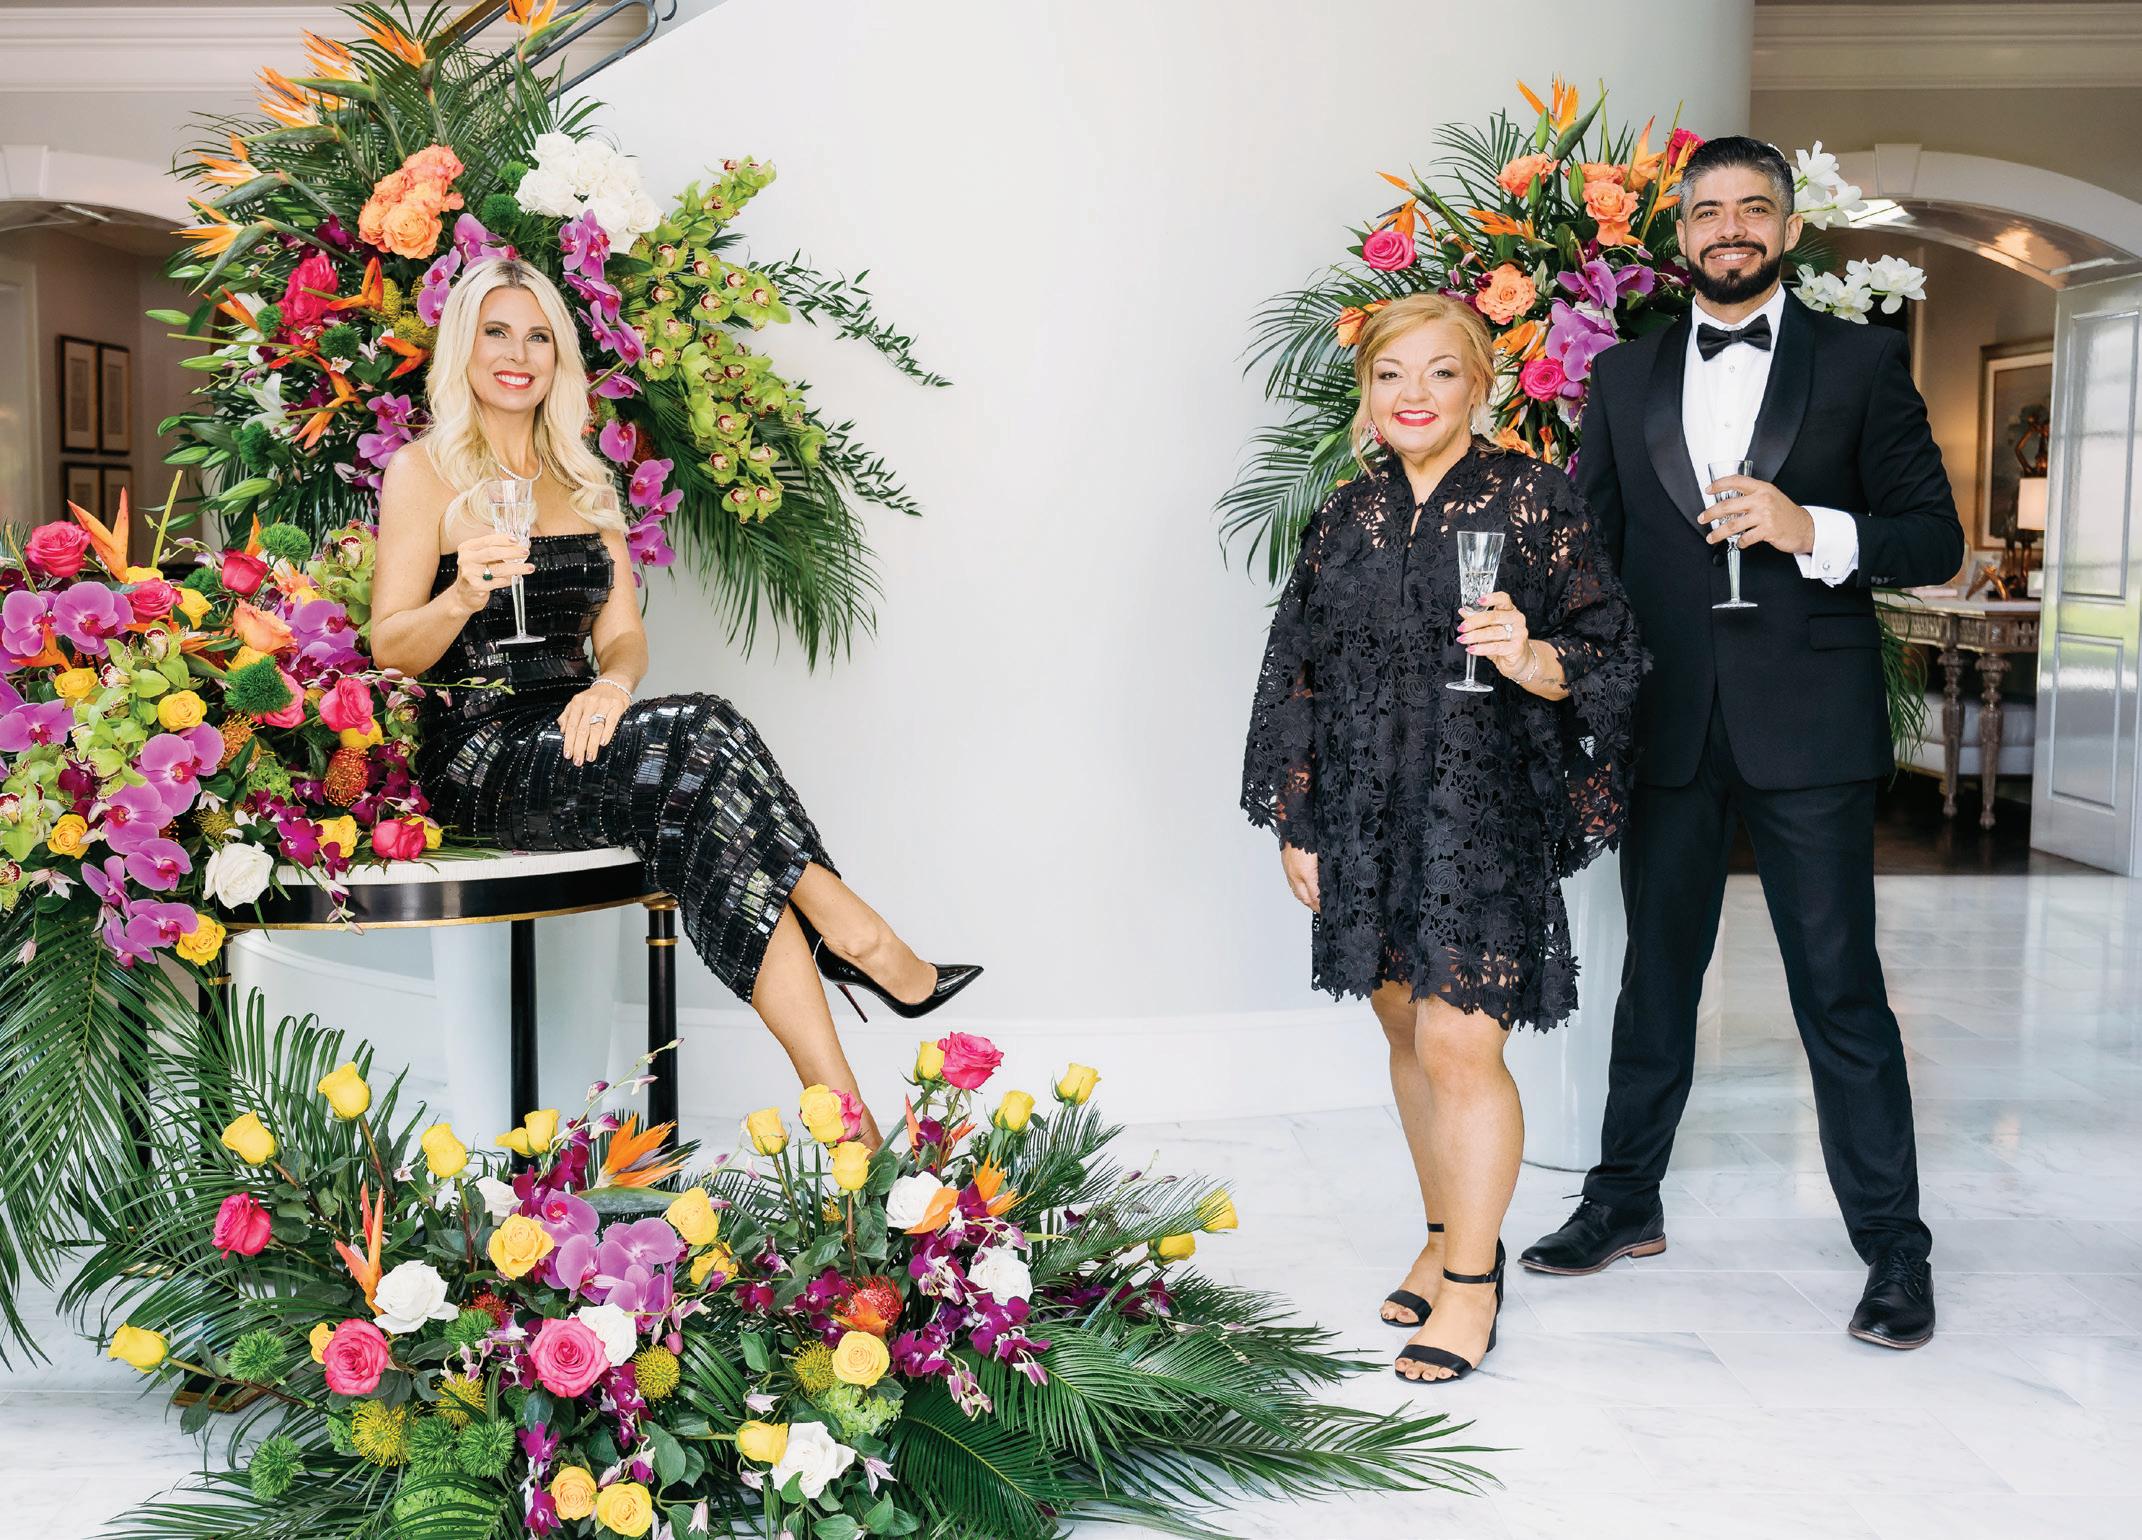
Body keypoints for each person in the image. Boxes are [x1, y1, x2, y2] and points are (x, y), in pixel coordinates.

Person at [371, 258, 981, 1146]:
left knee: (710, 818)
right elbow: (390, 646)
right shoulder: (421, 472)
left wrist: (612, 686)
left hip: (577, 728)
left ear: (559, 357)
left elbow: (623, 637)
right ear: (463, 345)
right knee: (704, 732)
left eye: (538, 337)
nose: (518, 355)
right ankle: (859, 939)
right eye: (496, 333)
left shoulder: (584, 477)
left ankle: (851, 1126)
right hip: (478, 750)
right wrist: (461, 595)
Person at [1520, 137, 1963, 1350]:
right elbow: (1589, 558)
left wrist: (1810, 525)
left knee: (1840, 987)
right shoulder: (1624, 377)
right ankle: (1623, 1200)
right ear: (1679, 234)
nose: (1731, 228)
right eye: (1708, 210)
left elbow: (1935, 539)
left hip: (1810, 727)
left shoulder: (1862, 363)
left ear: (1788, 228)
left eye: (1753, 208)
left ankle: (1895, 1247)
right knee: (1655, 977)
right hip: (1664, 723)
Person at [1241, 293, 1644, 1385]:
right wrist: (1298, 818)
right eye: (1390, 374)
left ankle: (1473, 1279)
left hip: (1480, 810)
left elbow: (1611, 654)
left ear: (1480, 385)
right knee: (1406, 1032)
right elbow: (1295, 673)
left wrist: (1529, 655)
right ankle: (1440, 1231)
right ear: (1367, 392)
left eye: (1440, 372)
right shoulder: (1346, 513)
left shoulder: (1534, 497)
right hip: (1366, 815)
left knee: (1462, 1044)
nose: (1413, 394)